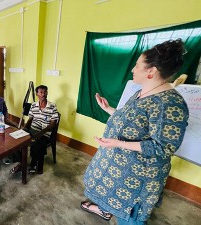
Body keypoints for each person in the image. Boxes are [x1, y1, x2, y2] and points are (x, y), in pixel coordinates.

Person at [81, 39, 189, 224]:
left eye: (137, 65)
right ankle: (106, 210)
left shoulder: (169, 104)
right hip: (119, 171)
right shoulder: (141, 92)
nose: (133, 69)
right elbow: (131, 121)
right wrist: (109, 109)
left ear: (151, 70)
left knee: (131, 219)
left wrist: (117, 143)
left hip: (137, 180)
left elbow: (163, 147)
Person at [10, 85, 58, 175]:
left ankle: (33, 164)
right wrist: (25, 128)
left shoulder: (52, 106)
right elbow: (30, 119)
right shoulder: (33, 105)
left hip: (45, 132)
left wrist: (40, 133)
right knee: (15, 140)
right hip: (33, 129)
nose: (43, 94)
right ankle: (21, 163)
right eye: (41, 92)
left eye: (45, 92)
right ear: (37, 94)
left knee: (36, 145)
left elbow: (52, 124)